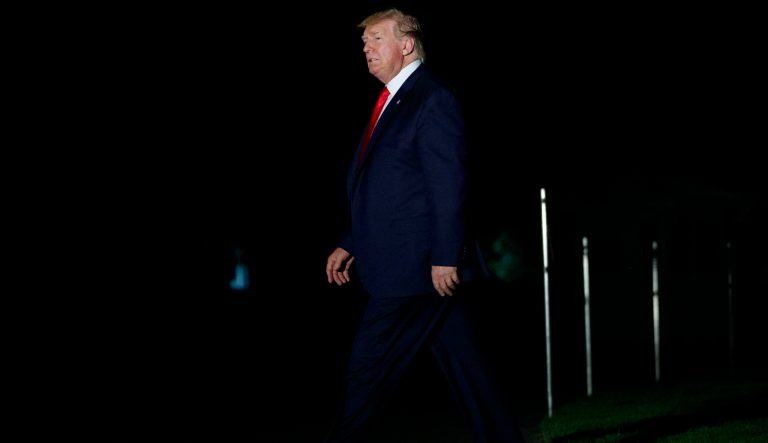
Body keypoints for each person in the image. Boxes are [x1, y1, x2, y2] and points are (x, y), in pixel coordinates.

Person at [324, 8, 528, 443]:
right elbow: (391, 187)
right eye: (364, 41)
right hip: (414, 265)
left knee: (367, 368)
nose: (366, 47)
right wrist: (350, 241)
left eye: (376, 38)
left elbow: (447, 183)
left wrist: (443, 256)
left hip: (417, 269)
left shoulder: (432, 98)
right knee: (468, 367)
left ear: (407, 44)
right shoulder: (392, 101)